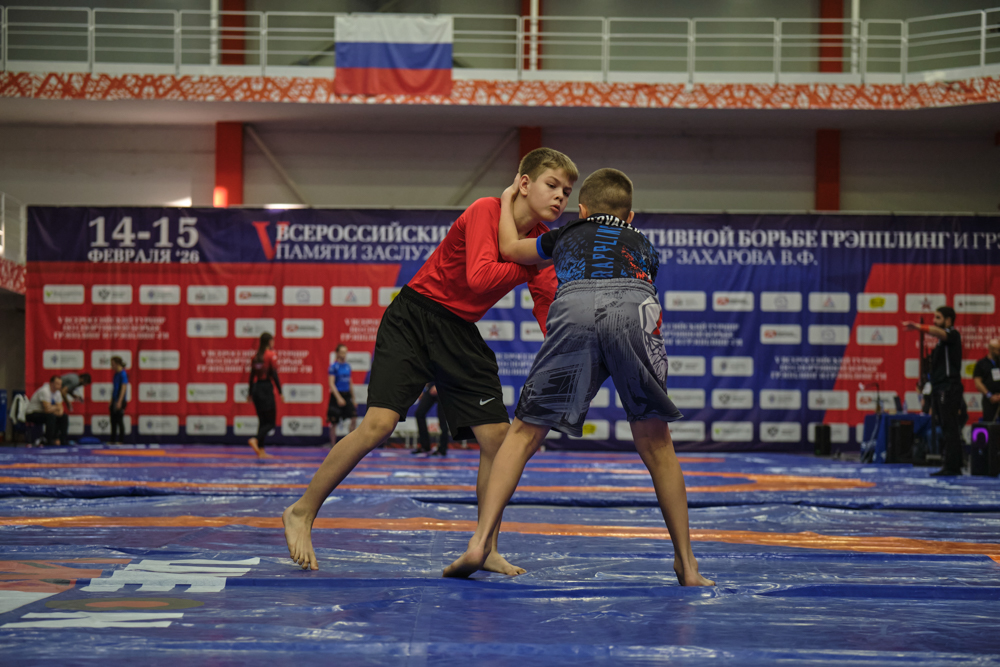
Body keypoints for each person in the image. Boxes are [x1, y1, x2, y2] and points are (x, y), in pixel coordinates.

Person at [283, 147, 578, 572]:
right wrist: (526, 263)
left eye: (567, 192)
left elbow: (547, 305)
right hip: (415, 317)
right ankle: (301, 510)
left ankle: (487, 546)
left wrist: (568, 351)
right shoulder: (485, 209)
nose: (559, 198)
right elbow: (479, 277)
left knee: (496, 438)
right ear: (524, 183)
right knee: (378, 425)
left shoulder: (538, 246)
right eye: (552, 185)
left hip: (458, 331)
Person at [443, 168, 714, 587]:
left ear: (582, 210)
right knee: (656, 444)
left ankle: (480, 542)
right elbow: (642, 278)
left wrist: (504, 198)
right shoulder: (642, 241)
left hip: (575, 307)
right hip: (633, 305)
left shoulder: (567, 232)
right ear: (631, 216)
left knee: (522, 435)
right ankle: (688, 565)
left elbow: (509, 248)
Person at [904, 306, 965, 476]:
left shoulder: (952, 335)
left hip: (949, 388)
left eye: (938, 318)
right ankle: (954, 464)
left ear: (948, 320)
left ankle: (952, 466)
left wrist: (918, 327)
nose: (934, 321)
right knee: (946, 427)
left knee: (950, 427)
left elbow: (940, 333)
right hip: (940, 388)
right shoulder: (940, 344)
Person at [247, 332, 281, 459]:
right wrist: (281, 392)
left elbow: (251, 377)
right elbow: (274, 375)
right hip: (266, 389)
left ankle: (261, 450)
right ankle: (255, 439)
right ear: (269, 342)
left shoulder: (256, 357)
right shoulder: (270, 355)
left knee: (262, 421)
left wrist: (250, 393)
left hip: (256, 388)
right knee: (271, 423)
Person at [327, 343, 357, 447]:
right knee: (333, 422)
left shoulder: (348, 366)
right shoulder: (333, 367)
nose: (344, 354)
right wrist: (338, 398)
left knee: (353, 418)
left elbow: (350, 383)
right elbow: (331, 383)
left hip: (346, 395)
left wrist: (353, 398)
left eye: (345, 352)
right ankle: (333, 445)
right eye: (342, 352)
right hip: (336, 396)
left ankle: (350, 444)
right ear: (337, 353)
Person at [26, 375, 68, 445]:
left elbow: (60, 411)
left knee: (64, 417)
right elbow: (47, 410)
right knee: (51, 417)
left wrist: (55, 408)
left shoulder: (57, 392)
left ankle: (62, 440)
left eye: (60, 384)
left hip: (45, 413)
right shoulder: (45, 391)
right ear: (51, 383)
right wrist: (56, 407)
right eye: (57, 384)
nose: (60, 386)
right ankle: (48, 440)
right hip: (32, 413)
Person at [412, 383, 449, 457]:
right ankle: (425, 446)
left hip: (444, 387)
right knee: (419, 413)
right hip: (431, 385)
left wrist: (439, 385)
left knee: (443, 419)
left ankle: (442, 449)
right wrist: (422, 389)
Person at [972, 338, 1000, 424]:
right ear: (991, 349)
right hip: (989, 400)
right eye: (998, 350)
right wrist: (989, 395)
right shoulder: (981, 364)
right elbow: (978, 382)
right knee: (990, 425)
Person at [108, 357, 129, 444]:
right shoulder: (116, 374)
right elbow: (114, 389)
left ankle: (121, 440)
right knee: (113, 420)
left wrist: (120, 401)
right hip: (114, 399)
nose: (111, 366)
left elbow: (123, 388)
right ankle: (112, 440)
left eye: (112, 364)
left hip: (120, 400)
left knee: (119, 420)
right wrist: (111, 400)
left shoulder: (123, 374)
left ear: (117, 364)